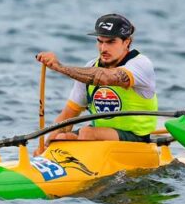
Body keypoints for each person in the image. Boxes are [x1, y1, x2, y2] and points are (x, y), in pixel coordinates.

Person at [35, 13, 158, 152]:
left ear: (127, 42)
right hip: (101, 137)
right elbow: (68, 115)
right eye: (100, 41)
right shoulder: (91, 67)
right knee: (59, 139)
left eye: (111, 42)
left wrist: (60, 67)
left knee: (87, 133)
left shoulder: (140, 64)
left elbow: (104, 77)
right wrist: (45, 145)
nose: (103, 48)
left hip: (137, 139)